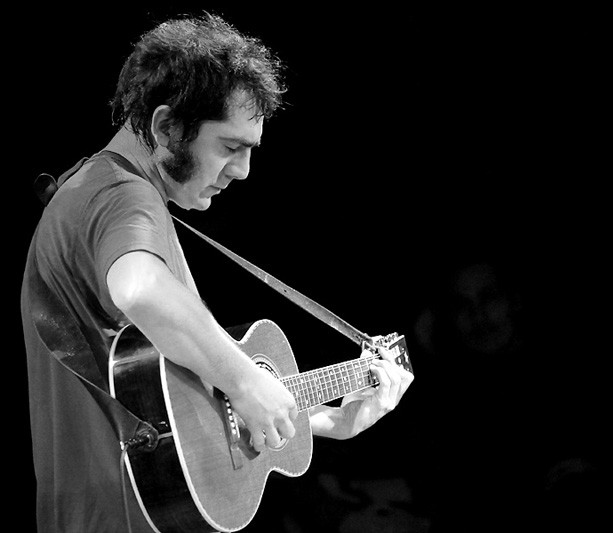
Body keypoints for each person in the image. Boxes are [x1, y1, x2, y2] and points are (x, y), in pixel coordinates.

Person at [20, 13, 413, 532]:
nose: (243, 170)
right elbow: (140, 290)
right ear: (166, 126)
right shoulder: (123, 197)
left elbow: (184, 414)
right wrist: (247, 380)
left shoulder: (96, 192)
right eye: (230, 147)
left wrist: (330, 420)